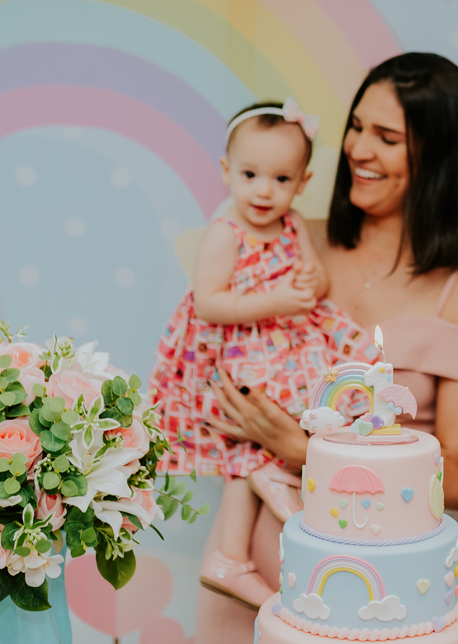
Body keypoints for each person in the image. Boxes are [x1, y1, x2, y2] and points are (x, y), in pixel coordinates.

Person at [174, 53, 458, 644]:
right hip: (243, 572)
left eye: (387, 138)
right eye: (357, 127)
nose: (357, 148)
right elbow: (212, 350)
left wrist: (301, 445)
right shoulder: (297, 246)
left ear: (441, 156)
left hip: (367, 598)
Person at [148, 100, 374, 609]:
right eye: (250, 175)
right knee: (258, 416)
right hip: (238, 348)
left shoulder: (292, 224)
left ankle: (235, 546)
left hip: (288, 344)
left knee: (329, 392)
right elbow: (209, 302)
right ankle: (257, 499)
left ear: (302, 181)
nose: (263, 191)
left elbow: (313, 274)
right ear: (227, 171)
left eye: (280, 179)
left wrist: (312, 280)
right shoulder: (226, 235)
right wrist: (273, 301)